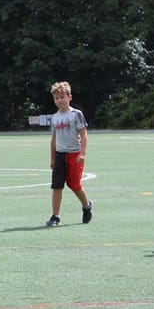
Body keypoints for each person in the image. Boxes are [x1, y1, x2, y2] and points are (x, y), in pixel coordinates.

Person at [45, 81, 93, 227]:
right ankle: (55, 216)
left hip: (74, 154)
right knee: (57, 186)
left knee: (74, 185)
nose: (59, 100)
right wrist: (53, 158)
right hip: (60, 155)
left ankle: (86, 206)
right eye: (56, 98)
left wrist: (82, 153)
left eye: (62, 97)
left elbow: (83, 134)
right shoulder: (55, 117)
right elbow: (53, 140)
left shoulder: (76, 114)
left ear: (69, 97)